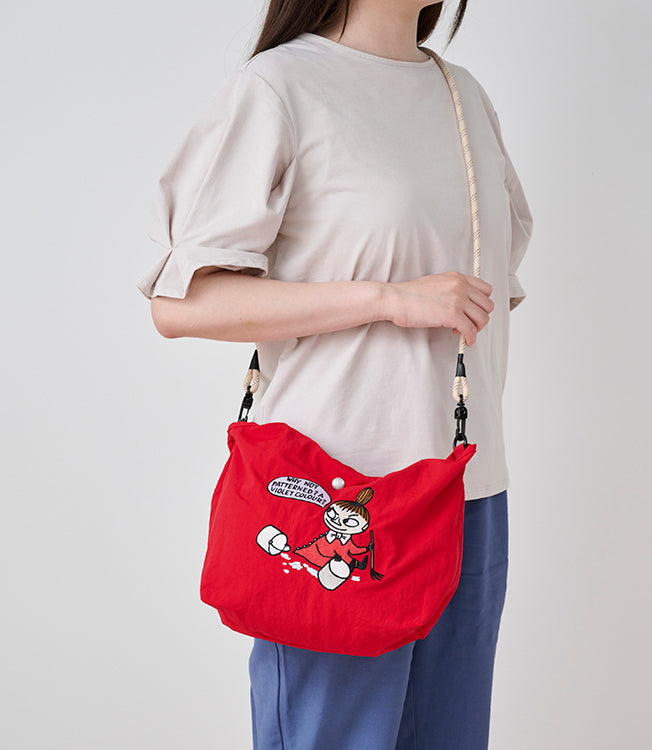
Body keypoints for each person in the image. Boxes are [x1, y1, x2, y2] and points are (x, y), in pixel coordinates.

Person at [136, 1, 533, 747]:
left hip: (466, 491)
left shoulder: (465, 98)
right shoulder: (281, 88)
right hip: (335, 494)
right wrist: (385, 298)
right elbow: (181, 304)